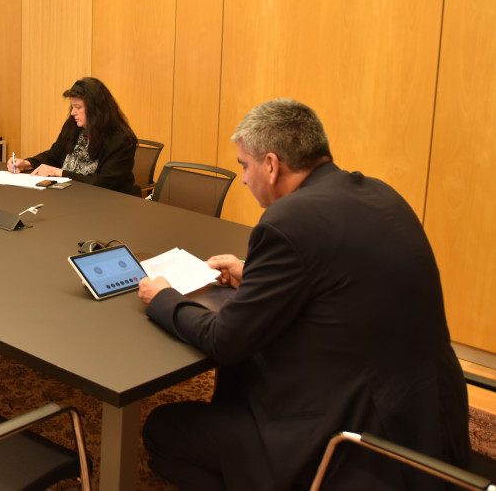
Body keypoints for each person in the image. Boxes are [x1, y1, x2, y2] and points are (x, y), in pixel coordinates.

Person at [138, 98, 469, 490]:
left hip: (354, 441)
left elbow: (224, 340)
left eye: (245, 165)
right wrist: (256, 278)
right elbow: (341, 287)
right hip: (430, 423)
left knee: (162, 428)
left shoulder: (288, 221)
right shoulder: (381, 195)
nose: (242, 179)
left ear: (272, 165)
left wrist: (163, 297)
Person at [7, 77, 138, 195]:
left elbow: (103, 184)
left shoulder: (120, 139)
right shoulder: (74, 127)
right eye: (72, 106)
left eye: (78, 107)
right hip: (70, 196)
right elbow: (54, 155)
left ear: (96, 109)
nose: (72, 113)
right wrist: (28, 163)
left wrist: (61, 173)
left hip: (106, 204)